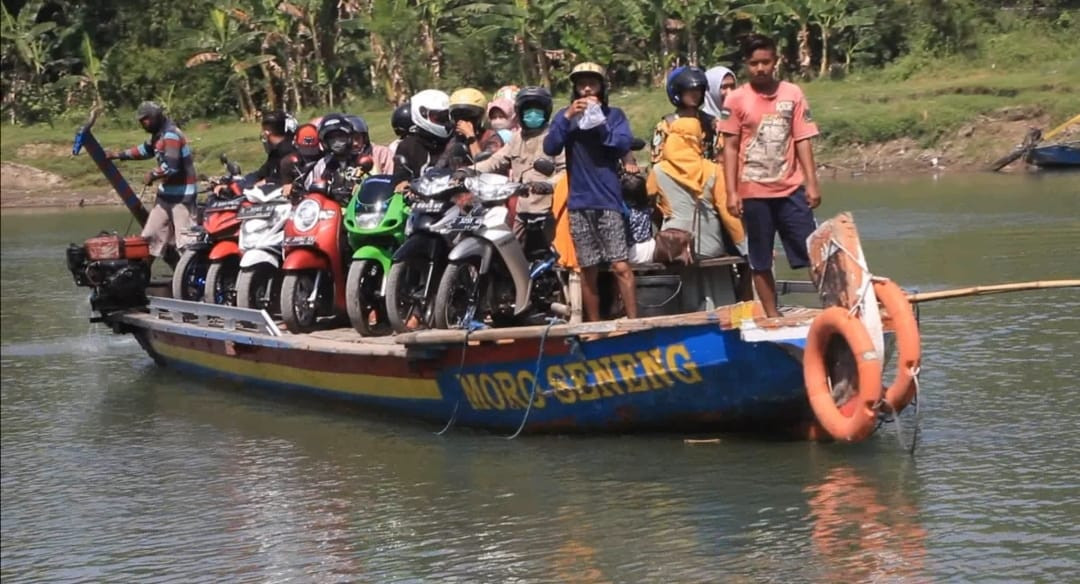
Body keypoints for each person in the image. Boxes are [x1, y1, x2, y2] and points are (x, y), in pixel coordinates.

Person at [720, 33, 822, 317]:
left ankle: (833, 308)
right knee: (760, 258)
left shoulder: (793, 94)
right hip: (753, 192)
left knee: (813, 253)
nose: (760, 68)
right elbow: (729, 148)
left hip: (791, 189)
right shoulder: (736, 100)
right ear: (746, 64)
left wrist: (811, 183)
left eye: (766, 62)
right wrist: (731, 192)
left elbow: (802, 139)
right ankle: (772, 315)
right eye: (754, 63)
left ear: (775, 61)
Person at [543, 62, 637, 322]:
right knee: (587, 268)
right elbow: (550, 147)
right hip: (578, 203)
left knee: (620, 265)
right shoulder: (566, 117)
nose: (586, 89)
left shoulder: (615, 115)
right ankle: (593, 326)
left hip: (608, 200)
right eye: (581, 84)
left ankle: (634, 322)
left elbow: (620, 144)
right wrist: (567, 117)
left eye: (592, 84)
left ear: (601, 87)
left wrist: (598, 121)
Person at [649, 66, 746, 263]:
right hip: (677, 191)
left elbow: (722, 154)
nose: (695, 95)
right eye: (689, 91)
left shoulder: (712, 123)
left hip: (712, 188)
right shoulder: (665, 125)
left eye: (698, 91)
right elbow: (658, 160)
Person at [105, 101, 197, 262]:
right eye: (141, 121)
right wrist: (118, 155)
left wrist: (153, 174)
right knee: (149, 237)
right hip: (165, 196)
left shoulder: (171, 135)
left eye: (146, 119)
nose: (143, 124)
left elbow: (172, 166)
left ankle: (191, 281)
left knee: (186, 244)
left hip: (182, 197)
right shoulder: (159, 135)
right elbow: (144, 150)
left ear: (156, 116)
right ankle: (140, 276)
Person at [474, 86, 566, 245]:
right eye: (527, 109)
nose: (532, 114)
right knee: (508, 252)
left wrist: (548, 184)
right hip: (522, 210)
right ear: (519, 112)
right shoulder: (516, 138)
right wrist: (468, 170)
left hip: (549, 211)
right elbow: (495, 161)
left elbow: (565, 171)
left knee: (559, 258)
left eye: (537, 109)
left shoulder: (555, 137)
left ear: (546, 111)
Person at [392, 89, 453, 184]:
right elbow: (400, 181)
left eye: (447, 116)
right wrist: (404, 185)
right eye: (439, 117)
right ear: (422, 114)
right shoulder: (408, 146)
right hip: (425, 198)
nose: (445, 121)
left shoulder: (456, 138)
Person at [305, 114, 370, 202]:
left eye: (340, 137)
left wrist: (361, 187)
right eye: (332, 138)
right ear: (325, 142)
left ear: (349, 137)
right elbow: (309, 189)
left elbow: (374, 182)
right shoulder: (322, 164)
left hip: (358, 207)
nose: (337, 142)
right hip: (331, 209)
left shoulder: (361, 159)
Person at [243, 110, 300, 195]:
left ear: (267, 132)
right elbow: (261, 173)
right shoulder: (276, 153)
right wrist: (238, 183)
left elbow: (290, 179)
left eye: (263, 132)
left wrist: (268, 181)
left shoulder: (285, 153)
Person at [445, 87, 504, 167]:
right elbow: (440, 165)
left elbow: (486, 166)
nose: (461, 122)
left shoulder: (491, 138)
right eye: (457, 116)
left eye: (468, 116)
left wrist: (471, 137)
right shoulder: (455, 140)